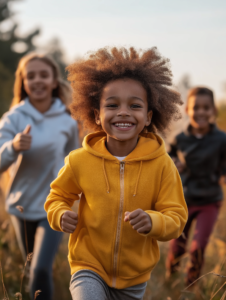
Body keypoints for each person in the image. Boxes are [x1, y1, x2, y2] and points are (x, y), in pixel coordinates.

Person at [44, 47, 188, 300]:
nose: (123, 112)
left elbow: (176, 217)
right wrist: (59, 214)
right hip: (88, 266)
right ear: (97, 115)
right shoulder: (79, 160)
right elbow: (57, 196)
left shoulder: (162, 165)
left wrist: (153, 221)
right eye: (112, 105)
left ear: (147, 117)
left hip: (134, 278)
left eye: (135, 105)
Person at [0, 53, 79, 300]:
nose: (37, 81)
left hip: (53, 205)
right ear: (23, 83)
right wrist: (13, 147)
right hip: (21, 207)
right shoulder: (13, 118)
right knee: (30, 268)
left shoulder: (67, 121)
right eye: (30, 76)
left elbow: (75, 162)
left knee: (40, 268)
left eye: (43, 75)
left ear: (54, 81)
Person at [166, 87, 226, 285]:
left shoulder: (221, 139)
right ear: (187, 111)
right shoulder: (180, 138)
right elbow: (168, 156)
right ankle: (171, 277)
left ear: (213, 111)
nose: (201, 112)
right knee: (178, 247)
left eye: (206, 108)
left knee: (198, 247)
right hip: (183, 199)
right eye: (196, 107)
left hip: (209, 200)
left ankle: (189, 285)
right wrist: (174, 160)